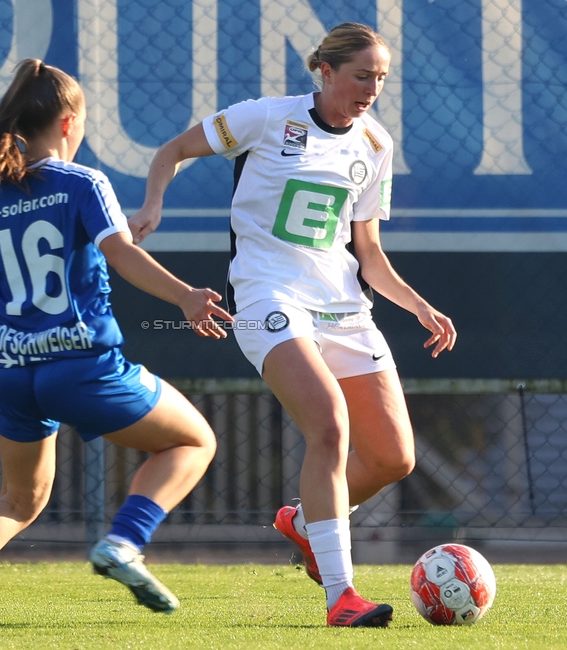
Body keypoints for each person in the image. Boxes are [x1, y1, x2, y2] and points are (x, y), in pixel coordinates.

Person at [129, 22, 456, 628]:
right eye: (361, 76)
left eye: (380, 79)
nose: (371, 89)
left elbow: (369, 254)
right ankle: (341, 595)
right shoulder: (265, 118)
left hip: (344, 305)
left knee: (393, 458)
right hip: (266, 295)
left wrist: (417, 305)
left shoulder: (375, 145)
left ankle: (306, 523)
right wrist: (153, 205)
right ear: (325, 72)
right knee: (329, 426)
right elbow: (172, 150)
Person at [0, 59, 232, 634]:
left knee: (17, 502)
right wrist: (184, 297)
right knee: (194, 440)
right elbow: (122, 254)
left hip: (13, 374)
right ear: (69, 123)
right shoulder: (83, 182)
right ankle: (123, 543)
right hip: (81, 365)